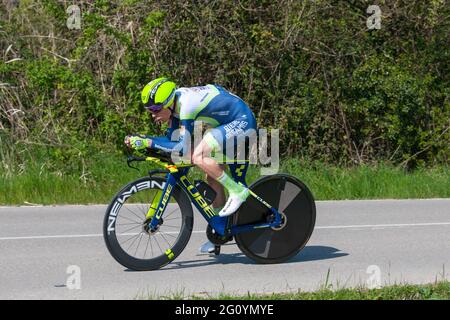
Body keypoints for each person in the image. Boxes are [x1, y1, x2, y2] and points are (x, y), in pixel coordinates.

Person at [124, 77, 257, 253]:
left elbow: (182, 149)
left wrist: (148, 142)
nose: (153, 114)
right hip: (225, 124)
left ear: (168, 103)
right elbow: (171, 142)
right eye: (149, 110)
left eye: (156, 109)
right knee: (212, 177)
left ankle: (238, 191)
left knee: (198, 156)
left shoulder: (185, 106)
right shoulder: (175, 109)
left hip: (241, 121)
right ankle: (221, 231)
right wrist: (145, 141)